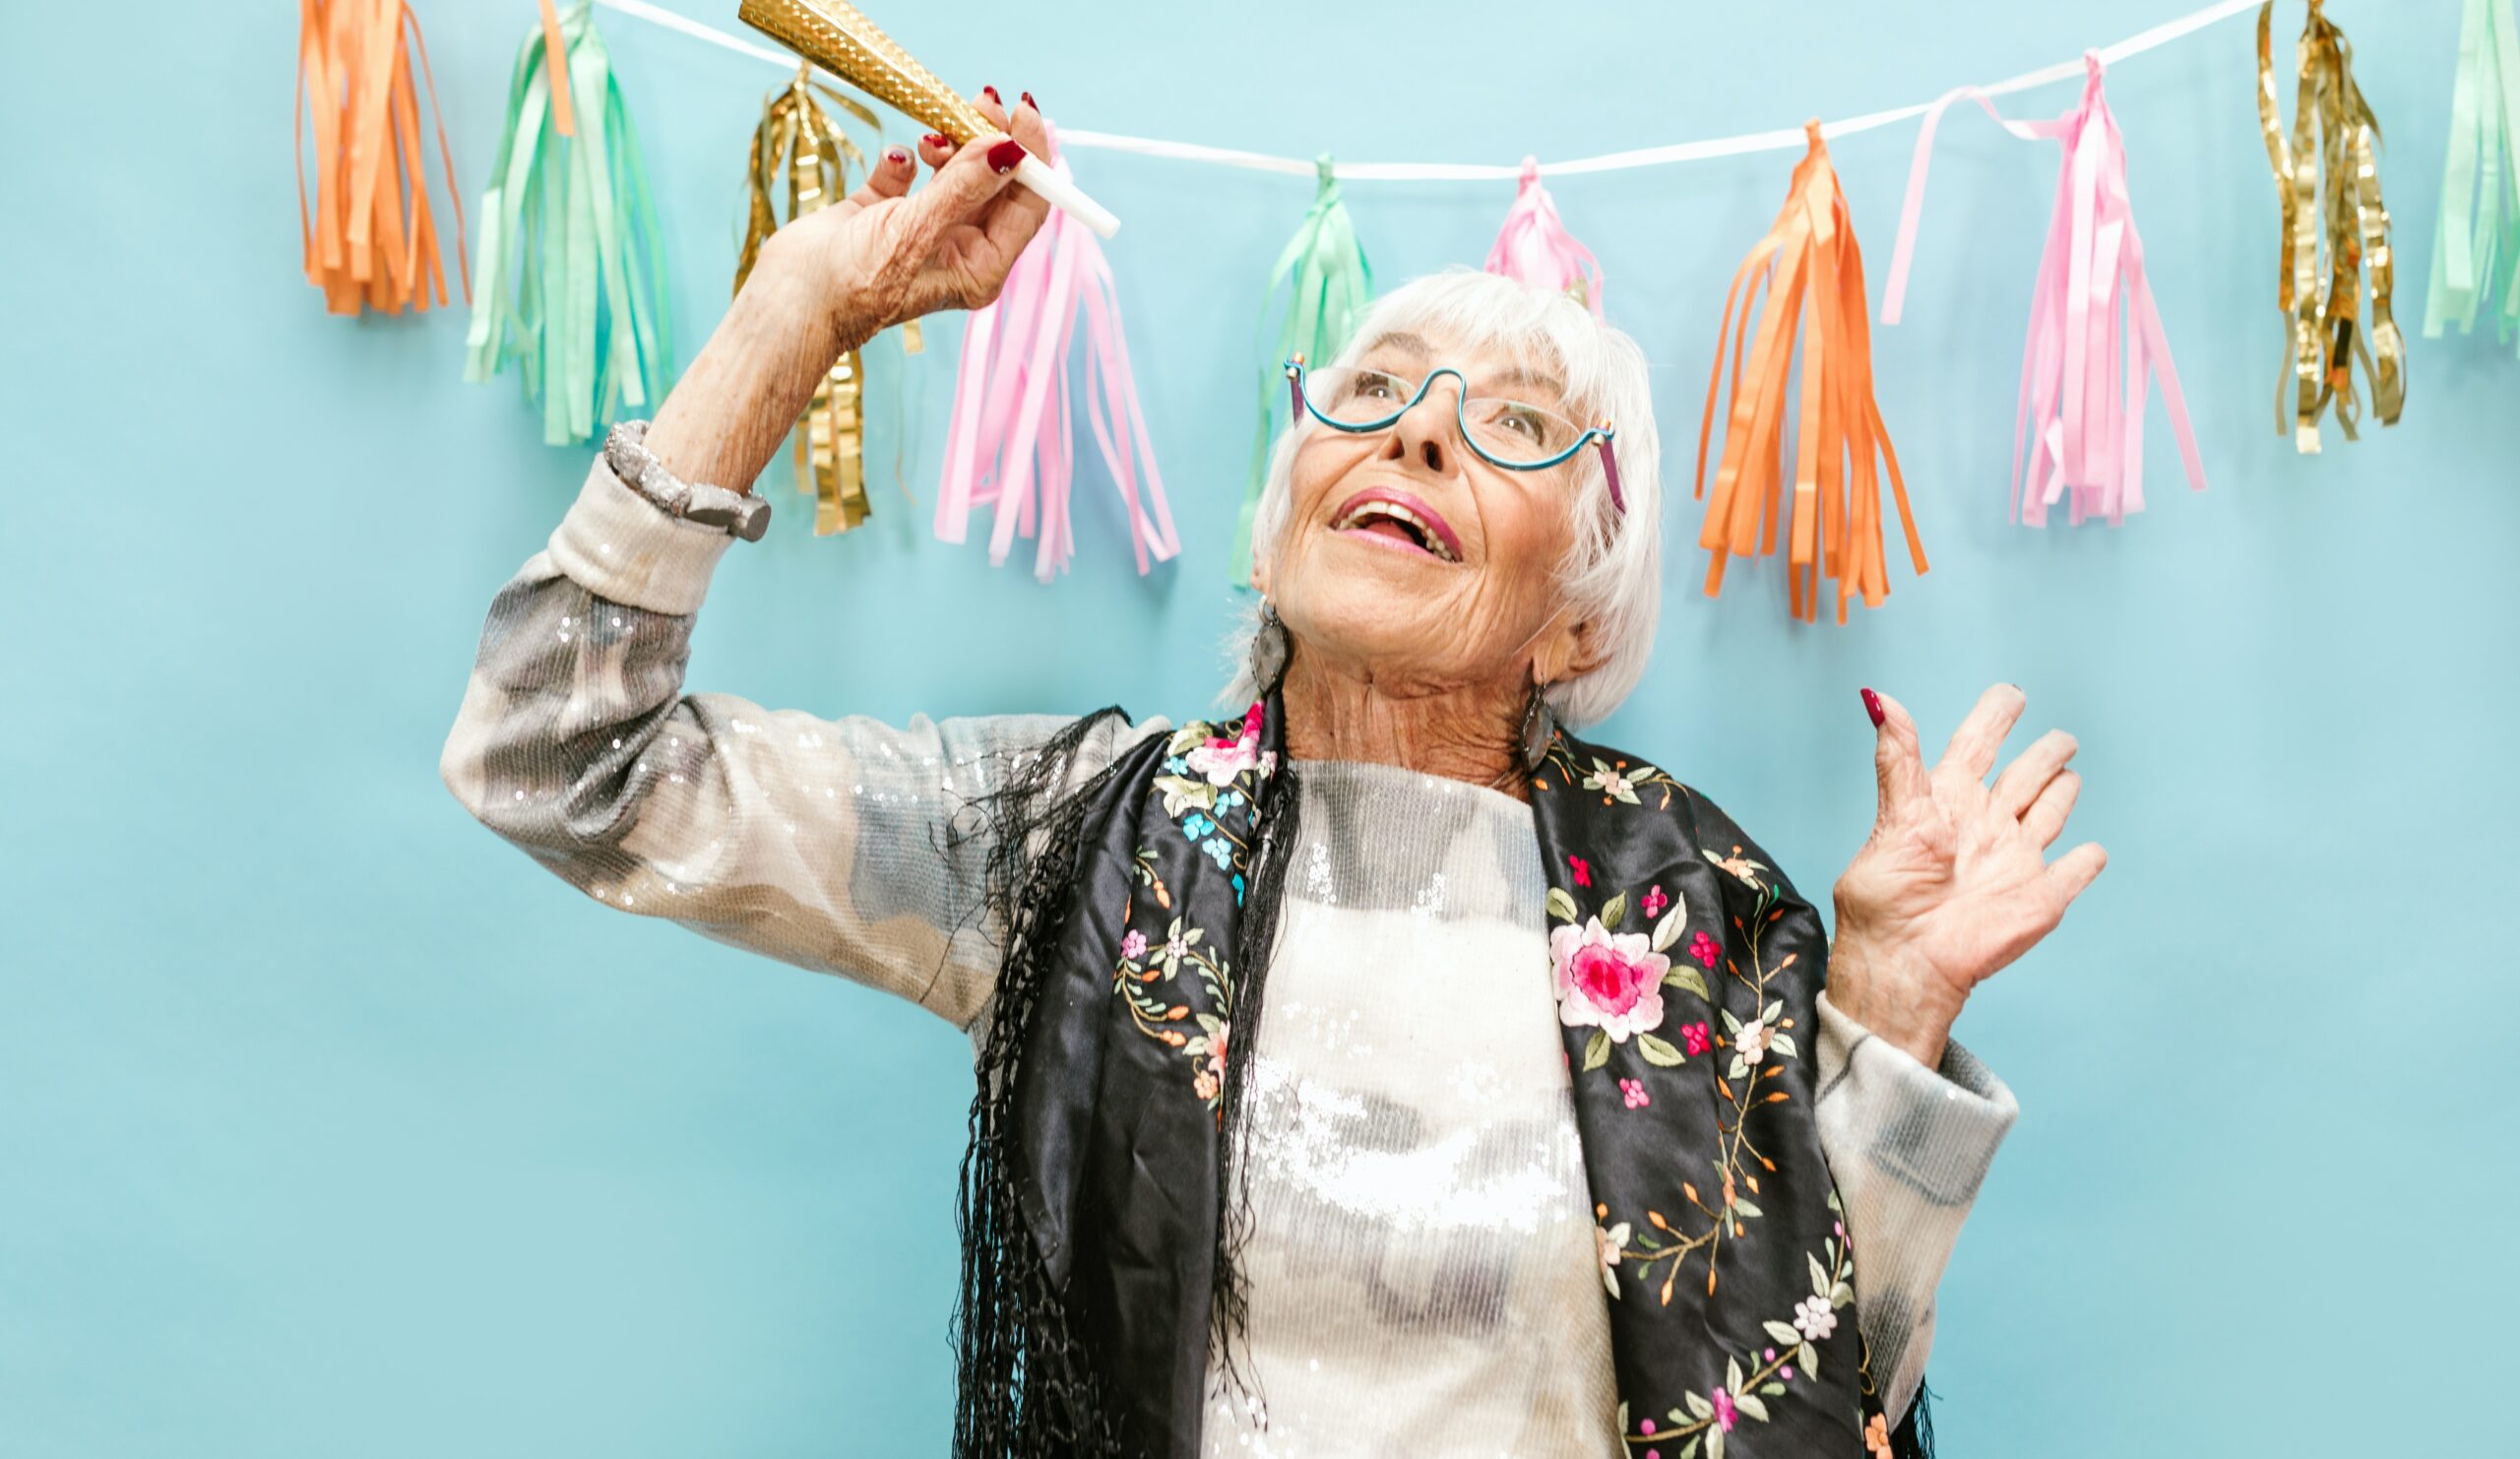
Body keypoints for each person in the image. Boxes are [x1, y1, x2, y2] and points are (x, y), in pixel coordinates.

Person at [442, 92, 2103, 1459]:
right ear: (1289, 502)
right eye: (1372, 391)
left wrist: (1888, 998)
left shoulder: (1695, 923)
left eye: (1515, 425)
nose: (1420, 431)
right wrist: (798, 308)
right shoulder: (1069, 847)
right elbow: (560, 754)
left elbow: (1818, 1414)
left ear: (1575, 613)